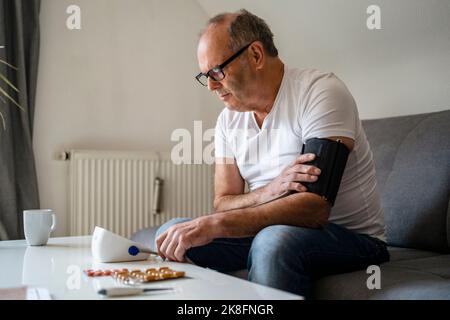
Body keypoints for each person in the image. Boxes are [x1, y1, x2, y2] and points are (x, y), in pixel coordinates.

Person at [155, 9, 389, 298]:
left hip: (350, 238)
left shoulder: (320, 92)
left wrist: (220, 223)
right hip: (270, 229)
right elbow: (223, 201)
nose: (212, 86)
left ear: (255, 55)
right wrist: (269, 191)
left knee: (272, 241)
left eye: (217, 71)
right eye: (206, 76)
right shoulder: (228, 120)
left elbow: (314, 207)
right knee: (172, 232)